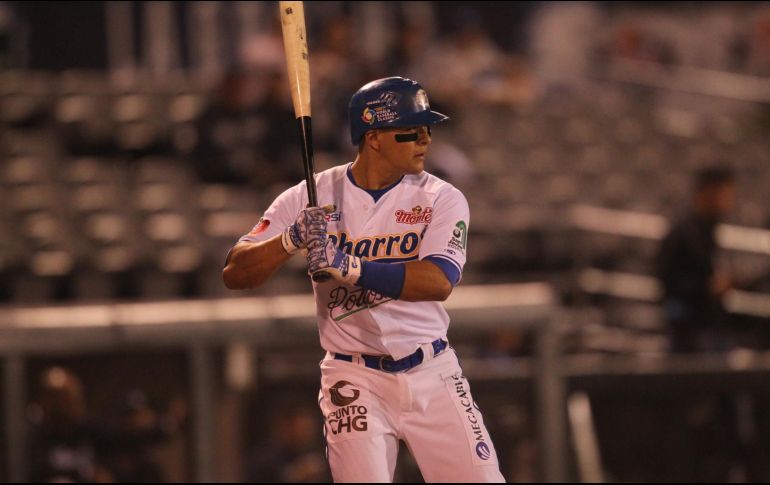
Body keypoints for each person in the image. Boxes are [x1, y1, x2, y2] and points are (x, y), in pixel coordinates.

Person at [224, 76, 504, 482]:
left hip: (431, 368)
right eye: (413, 131)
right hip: (353, 377)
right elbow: (235, 271)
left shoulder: (442, 197)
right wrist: (290, 239)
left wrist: (350, 266)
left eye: (428, 129)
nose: (426, 140)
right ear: (374, 137)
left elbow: (438, 280)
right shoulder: (310, 195)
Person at [656, 166, 736, 353]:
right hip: (688, 330)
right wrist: (707, 287)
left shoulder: (712, 230)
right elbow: (667, 283)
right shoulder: (682, 233)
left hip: (713, 324)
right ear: (708, 191)